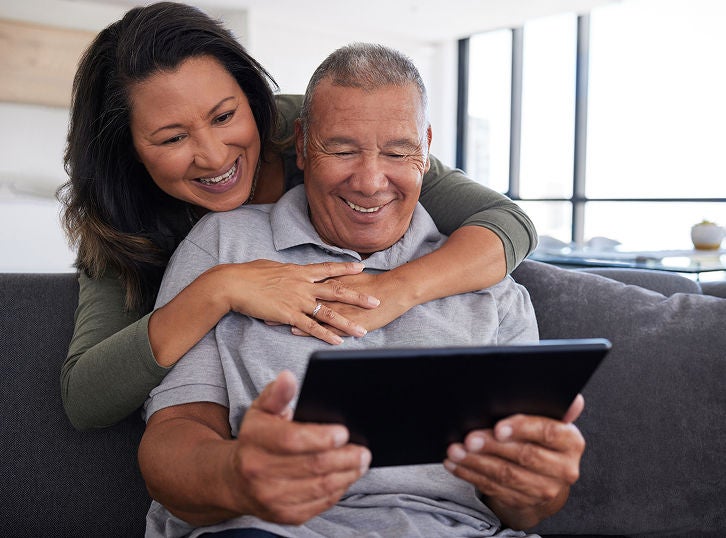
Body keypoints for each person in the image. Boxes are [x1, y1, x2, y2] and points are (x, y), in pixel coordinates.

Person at [139, 43, 585, 538]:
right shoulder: (225, 245)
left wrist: (536, 488)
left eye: (398, 152)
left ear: (426, 149)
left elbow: (522, 511)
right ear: (303, 145)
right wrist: (236, 474)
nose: (372, 182)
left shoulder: (489, 286)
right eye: (343, 150)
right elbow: (172, 436)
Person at [57, 1, 538, 431]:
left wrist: (393, 291)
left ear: (252, 98)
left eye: (225, 116)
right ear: (130, 151)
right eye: (171, 138)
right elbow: (85, 399)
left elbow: (505, 222)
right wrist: (218, 287)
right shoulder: (117, 221)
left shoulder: (320, 134)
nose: (213, 155)